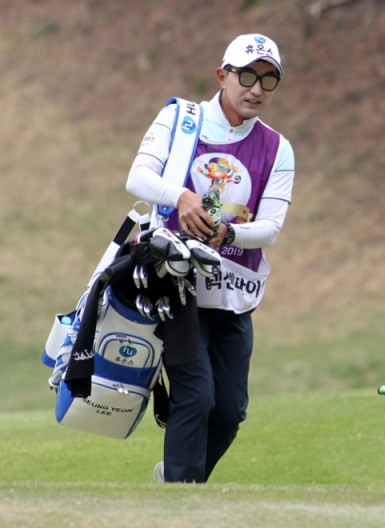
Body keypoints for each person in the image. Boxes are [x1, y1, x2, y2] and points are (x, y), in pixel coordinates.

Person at [125, 33, 295, 483]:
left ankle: (181, 482)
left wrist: (229, 231)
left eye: (268, 79)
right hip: (174, 283)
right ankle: (181, 495)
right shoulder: (179, 118)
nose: (256, 88)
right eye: (247, 76)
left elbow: (271, 229)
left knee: (229, 411)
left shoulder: (278, 148)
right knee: (196, 395)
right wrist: (181, 196)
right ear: (223, 76)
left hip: (233, 290)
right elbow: (138, 178)